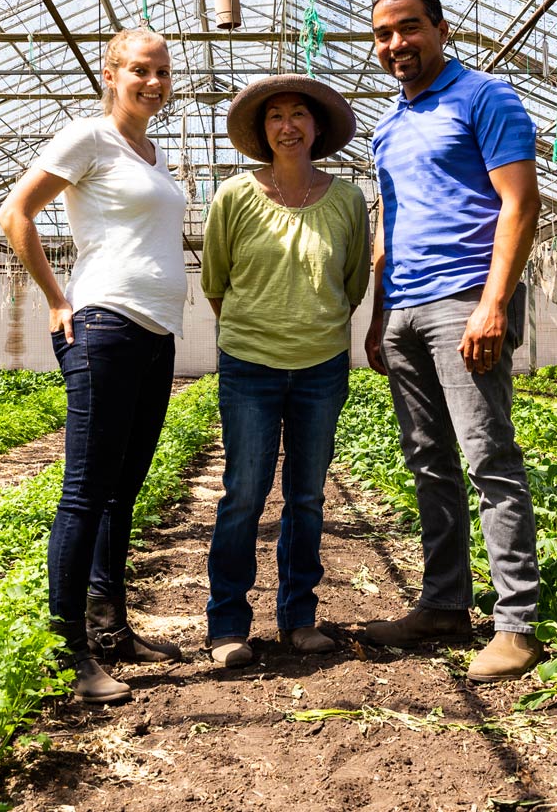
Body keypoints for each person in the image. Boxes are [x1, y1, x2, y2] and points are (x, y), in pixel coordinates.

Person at [361, 0, 543, 683]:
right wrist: (380, 317)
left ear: (440, 28)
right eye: (383, 34)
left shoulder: (485, 98)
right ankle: (442, 604)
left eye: (409, 28)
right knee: (427, 461)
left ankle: (516, 624)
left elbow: (520, 202)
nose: (396, 44)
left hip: (464, 302)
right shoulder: (386, 128)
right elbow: (389, 229)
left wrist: (493, 304)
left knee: (487, 458)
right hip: (405, 309)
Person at [0, 28, 186, 705]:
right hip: (102, 325)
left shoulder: (152, 152)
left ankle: (111, 631)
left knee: (121, 491)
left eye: (162, 71)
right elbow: (16, 213)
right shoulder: (89, 136)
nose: (154, 82)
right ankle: (66, 649)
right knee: (85, 491)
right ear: (112, 73)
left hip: (154, 334)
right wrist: (57, 298)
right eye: (140, 70)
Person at [201, 75, 369, 668]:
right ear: (262, 131)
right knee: (243, 493)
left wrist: (310, 327)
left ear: (318, 128)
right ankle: (227, 625)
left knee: (305, 496)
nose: (288, 125)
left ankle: (299, 618)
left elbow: (352, 284)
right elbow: (216, 283)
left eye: (300, 114)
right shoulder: (234, 197)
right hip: (249, 364)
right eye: (276, 116)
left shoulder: (348, 200)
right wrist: (259, 329)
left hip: (321, 366)